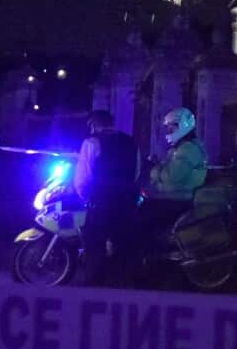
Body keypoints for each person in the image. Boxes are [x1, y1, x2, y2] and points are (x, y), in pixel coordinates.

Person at [73, 110, 140, 287]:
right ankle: (121, 288)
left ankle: (95, 290)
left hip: (100, 204)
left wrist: (85, 197)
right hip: (126, 204)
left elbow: (82, 178)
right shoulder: (130, 142)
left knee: (94, 248)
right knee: (122, 250)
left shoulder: (91, 143)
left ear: (93, 124)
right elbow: (137, 173)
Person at [144, 107, 209, 220]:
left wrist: (154, 171)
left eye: (171, 129)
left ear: (181, 126)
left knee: (143, 219)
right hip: (176, 197)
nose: (168, 133)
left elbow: (170, 177)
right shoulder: (183, 147)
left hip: (178, 200)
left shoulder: (188, 149)